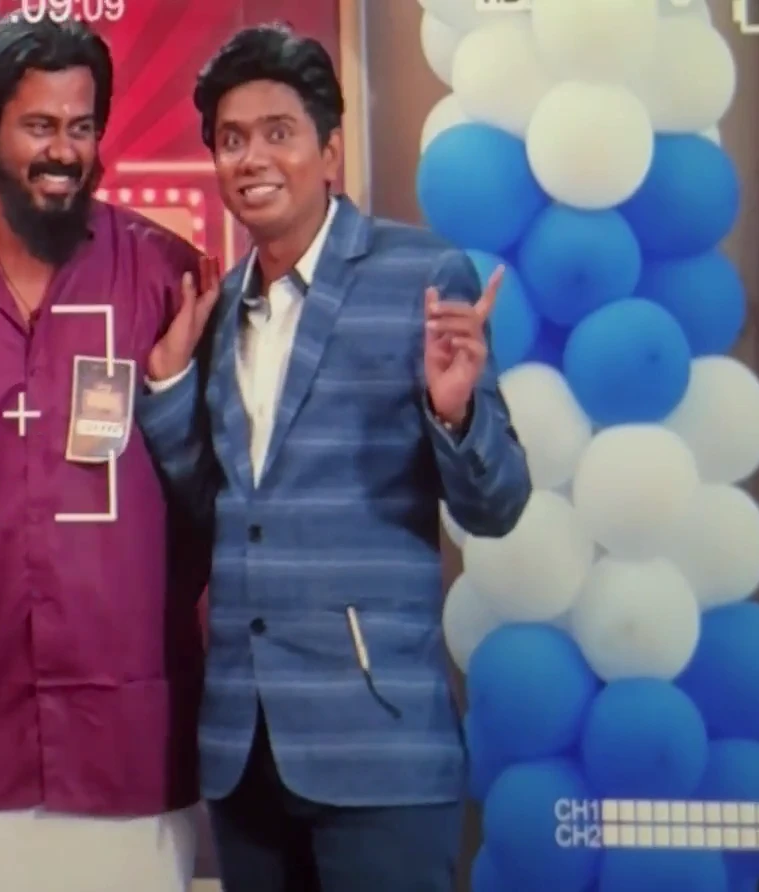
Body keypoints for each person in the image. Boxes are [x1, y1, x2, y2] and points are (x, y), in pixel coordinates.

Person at [137, 25, 533, 891]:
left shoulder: (420, 277)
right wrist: (166, 390)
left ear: (330, 150)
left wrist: (455, 411)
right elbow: (219, 511)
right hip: (244, 749)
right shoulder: (219, 305)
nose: (252, 158)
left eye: (277, 132)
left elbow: (497, 505)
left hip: (377, 744)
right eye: (231, 139)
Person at [0, 17, 210, 892]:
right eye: (40, 127)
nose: (65, 152)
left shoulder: (165, 274)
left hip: (133, 744)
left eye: (82, 127)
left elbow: (212, 497)